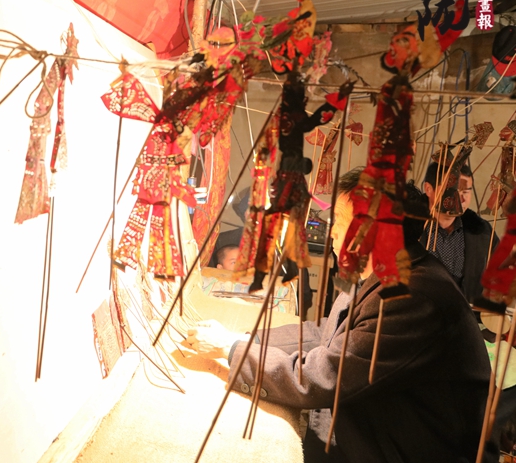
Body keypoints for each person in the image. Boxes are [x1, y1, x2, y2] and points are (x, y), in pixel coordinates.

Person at [186, 167, 490, 462]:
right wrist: (248, 339)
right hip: (368, 428)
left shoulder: (411, 295)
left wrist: (232, 351)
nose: (331, 232)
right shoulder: (374, 272)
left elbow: (324, 376)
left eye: (341, 221)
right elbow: (326, 333)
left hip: (405, 448)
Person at [421, 161, 499, 308]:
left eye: (466, 192)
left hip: (466, 317)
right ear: (428, 189)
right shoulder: (407, 230)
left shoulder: (481, 232)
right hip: (419, 317)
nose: (461, 199)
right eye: (454, 191)